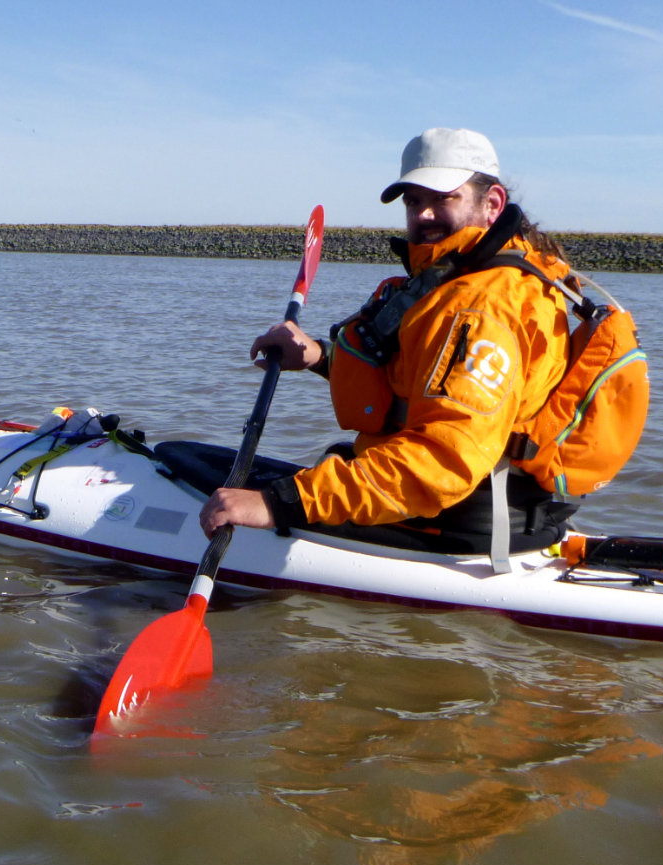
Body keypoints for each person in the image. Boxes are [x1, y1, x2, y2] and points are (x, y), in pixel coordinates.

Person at [198, 127, 580, 549]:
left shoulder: (483, 306)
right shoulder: (460, 278)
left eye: (442, 198)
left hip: (455, 519)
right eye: (414, 201)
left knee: (199, 473)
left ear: (492, 204)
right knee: (193, 459)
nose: (424, 215)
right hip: (463, 504)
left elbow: (443, 462)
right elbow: (421, 381)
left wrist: (278, 503)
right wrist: (319, 357)